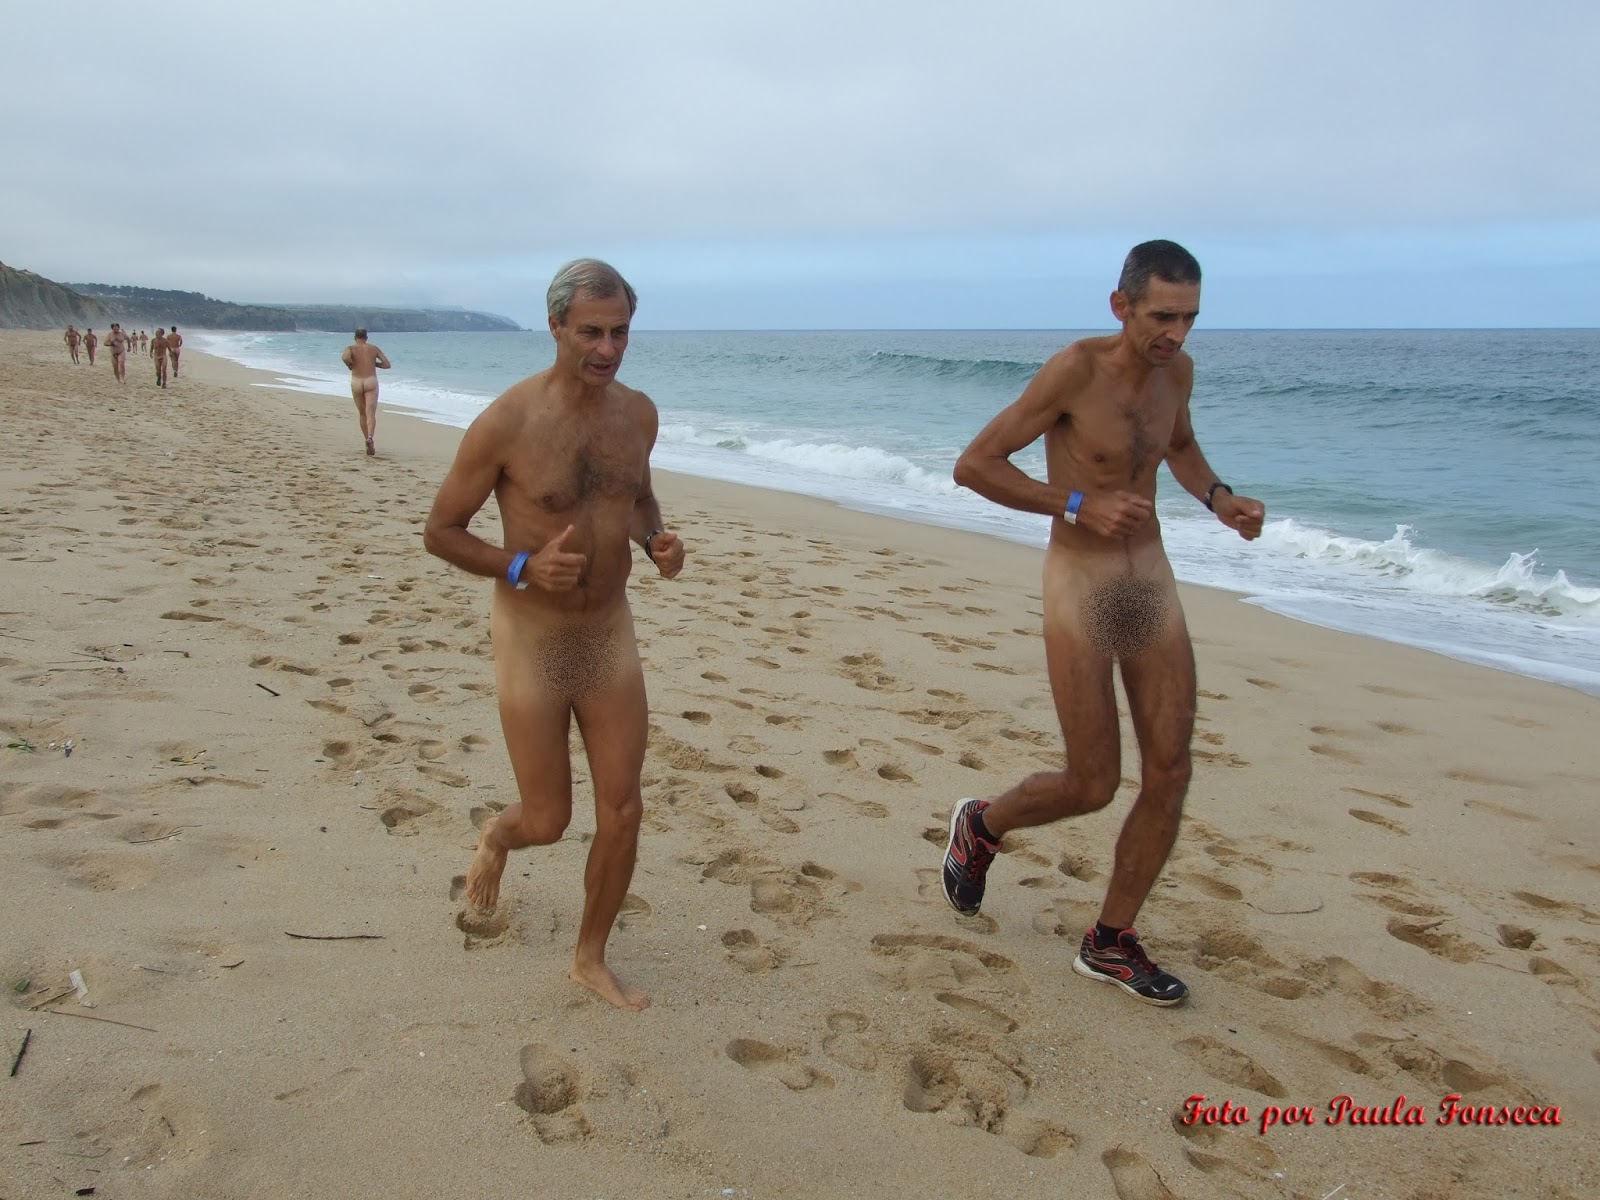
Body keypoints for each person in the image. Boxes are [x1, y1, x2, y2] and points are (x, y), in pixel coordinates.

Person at [941, 240, 1265, 1007]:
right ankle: (983, 825)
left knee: (1171, 769)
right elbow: (976, 464)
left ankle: (1110, 941)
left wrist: (1220, 499)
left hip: (1147, 582)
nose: (1176, 334)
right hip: (1081, 585)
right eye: (1162, 317)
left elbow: (1178, 445)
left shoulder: (1176, 374)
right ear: (1121, 306)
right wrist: (1078, 503)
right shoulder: (1074, 371)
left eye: (1189, 318)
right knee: (1092, 782)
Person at [423, 258, 685, 1012]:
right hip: (533, 637)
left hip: (607, 633)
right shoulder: (507, 422)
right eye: (591, 333)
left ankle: (589, 958)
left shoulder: (638, 415)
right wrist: (520, 566)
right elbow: (441, 531)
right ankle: (497, 839)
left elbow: (636, 498)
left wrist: (657, 541)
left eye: (620, 333)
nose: (607, 349)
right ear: (556, 327)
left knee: (624, 807)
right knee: (547, 819)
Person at [340, 328, 390, 455]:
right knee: (370, 413)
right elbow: (386, 364)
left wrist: (350, 364)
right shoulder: (374, 348)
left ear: (355, 338)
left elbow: (345, 357)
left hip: (357, 382)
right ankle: (370, 437)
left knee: (362, 414)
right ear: (366, 337)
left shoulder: (350, 348)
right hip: (370, 381)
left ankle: (366, 439)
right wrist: (374, 364)